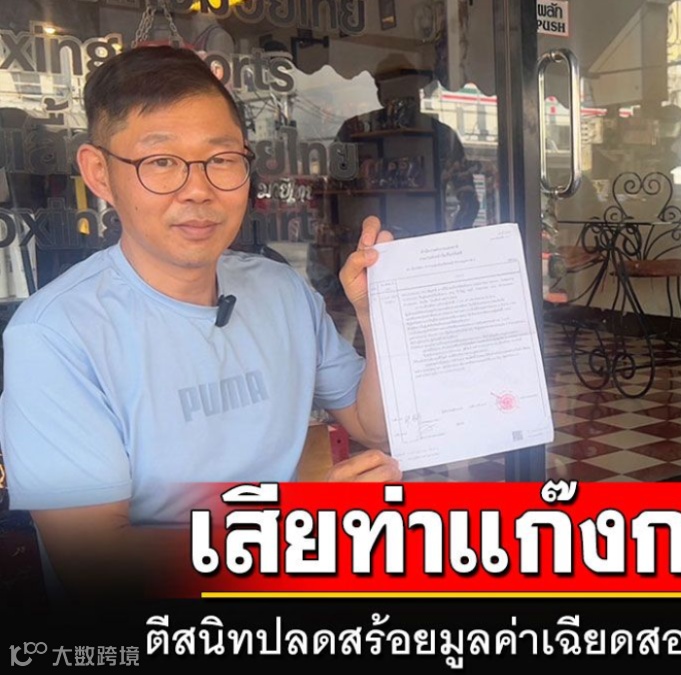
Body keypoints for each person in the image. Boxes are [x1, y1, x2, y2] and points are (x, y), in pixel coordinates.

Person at [0, 46, 401, 601]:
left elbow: (371, 425)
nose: (198, 189)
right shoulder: (54, 335)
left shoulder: (281, 291)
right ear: (100, 174)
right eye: (160, 162)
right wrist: (303, 534)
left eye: (222, 159)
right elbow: (95, 563)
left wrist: (377, 318)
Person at [335, 53, 479, 234]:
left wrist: (451, 243)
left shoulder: (442, 134)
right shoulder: (353, 130)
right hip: (372, 244)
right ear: (379, 92)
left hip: (426, 240)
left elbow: (468, 200)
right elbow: (336, 194)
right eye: (392, 85)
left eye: (406, 84)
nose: (399, 95)